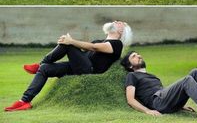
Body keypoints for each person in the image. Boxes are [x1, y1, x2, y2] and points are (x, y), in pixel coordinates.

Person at [4, 20, 133, 112]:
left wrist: (71, 42)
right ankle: (24, 101)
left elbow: (93, 48)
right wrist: (70, 43)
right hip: (79, 67)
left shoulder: (117, 44)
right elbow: (83, 53)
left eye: (119, 22)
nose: (115, 21)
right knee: (45, 69)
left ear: (121, 31)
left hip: (90, 70)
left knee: (68, 43)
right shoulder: (99, 40)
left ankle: (41, 63)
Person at [121, 51, 197, 122]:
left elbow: (168, 94)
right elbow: (130, 99)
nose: (139, 56)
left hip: (164, 100)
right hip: (157, 102)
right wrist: (147, 111)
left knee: (196, 72)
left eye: (138, 54)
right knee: (187, 80)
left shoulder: (152, 76)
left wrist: (180, 106)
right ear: (130, 65)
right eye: (134, 56)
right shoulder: (132, 75)